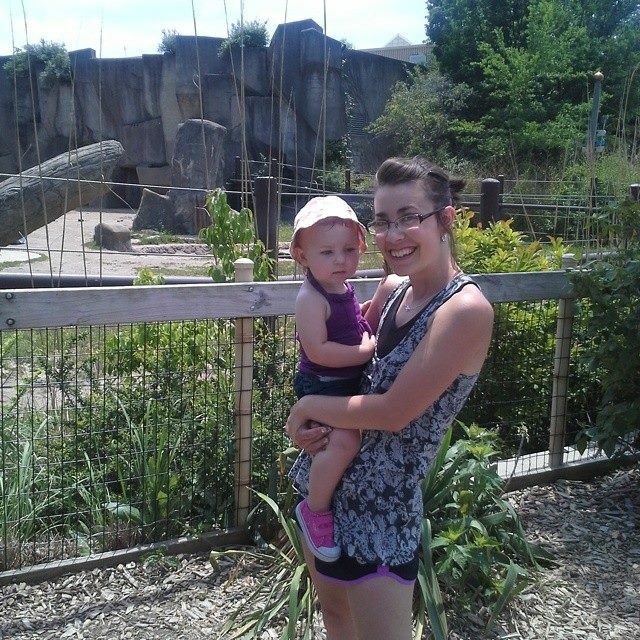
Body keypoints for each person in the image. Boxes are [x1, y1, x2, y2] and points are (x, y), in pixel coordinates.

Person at [286, 157, 494, 640]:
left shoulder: (464, 310)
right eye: (382, 221)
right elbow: (347, 365)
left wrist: (306, 408)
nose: (393, 235)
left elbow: (393, 412)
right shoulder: (396, 291)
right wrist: (311, 412)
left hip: (383, 512)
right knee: (337, 620)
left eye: (408, 217)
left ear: (445, 219)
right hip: (328, 493)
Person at [289, 195, 377, 563]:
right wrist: (364, 351)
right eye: (327, 252)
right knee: (344, 442)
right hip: (323, 384)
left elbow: (348, 322)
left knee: (345, 442)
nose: (340, 260)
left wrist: (364, 319)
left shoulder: (340, 286)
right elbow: (319, 351)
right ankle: (315, 509)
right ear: (302, 256)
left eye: (348, 249)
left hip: (341, 383)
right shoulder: (311, 298)